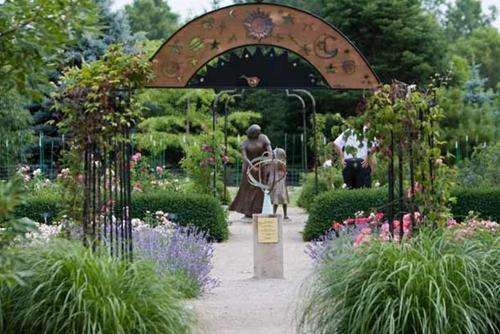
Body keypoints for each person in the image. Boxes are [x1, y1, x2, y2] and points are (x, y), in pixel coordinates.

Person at [229, 124, 272, 218]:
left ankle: (257, 210)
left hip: (261, 168)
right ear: (251, 133)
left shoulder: (264, 138)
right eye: (256, 132)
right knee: (247, 190)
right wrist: (252, 166)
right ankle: (247, 211)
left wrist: (268, 160)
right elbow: (244, 157)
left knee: (259, 190)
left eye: (259, 132)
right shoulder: (245, 143)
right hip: (249, 169)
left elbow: (270, 152)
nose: (258, 134)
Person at [269, 147, 290, 220]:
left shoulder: (276, 162)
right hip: (278, 182)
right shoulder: (277, 162)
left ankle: (282, 214)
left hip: (279, 182)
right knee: (279, 198)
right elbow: (283, 170)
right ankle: (281, 214)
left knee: (281, 198)